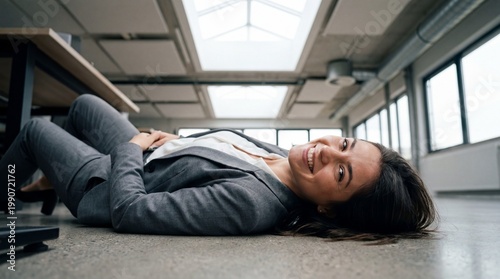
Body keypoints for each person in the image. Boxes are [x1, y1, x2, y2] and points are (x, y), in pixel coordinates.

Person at [1, 94, 437, 243]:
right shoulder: (284, 156)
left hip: (108, 180)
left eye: (341, 173)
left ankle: (31, 183)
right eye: (344, 143)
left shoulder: (251, 204)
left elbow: (130, 212)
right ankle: (40, 182)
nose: (327, 152)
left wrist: (133, 148)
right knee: (82, 106)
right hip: (155, 154)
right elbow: (216, 151)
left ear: (329, 211)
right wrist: (181, 142)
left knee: (36, 130)